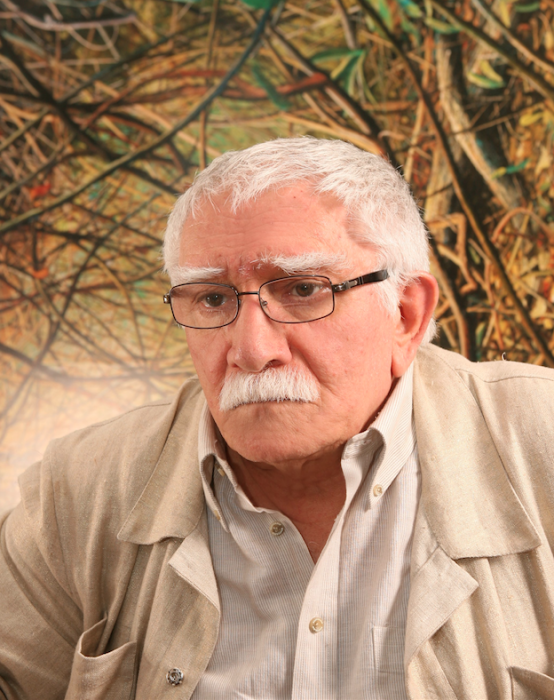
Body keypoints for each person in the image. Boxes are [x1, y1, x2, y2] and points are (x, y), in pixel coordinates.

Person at [1, 137, 553, 700]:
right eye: (212, 299)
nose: (251, 350)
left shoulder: (542, 446)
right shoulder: (78, 493)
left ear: (406, 315)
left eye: (303, 290)